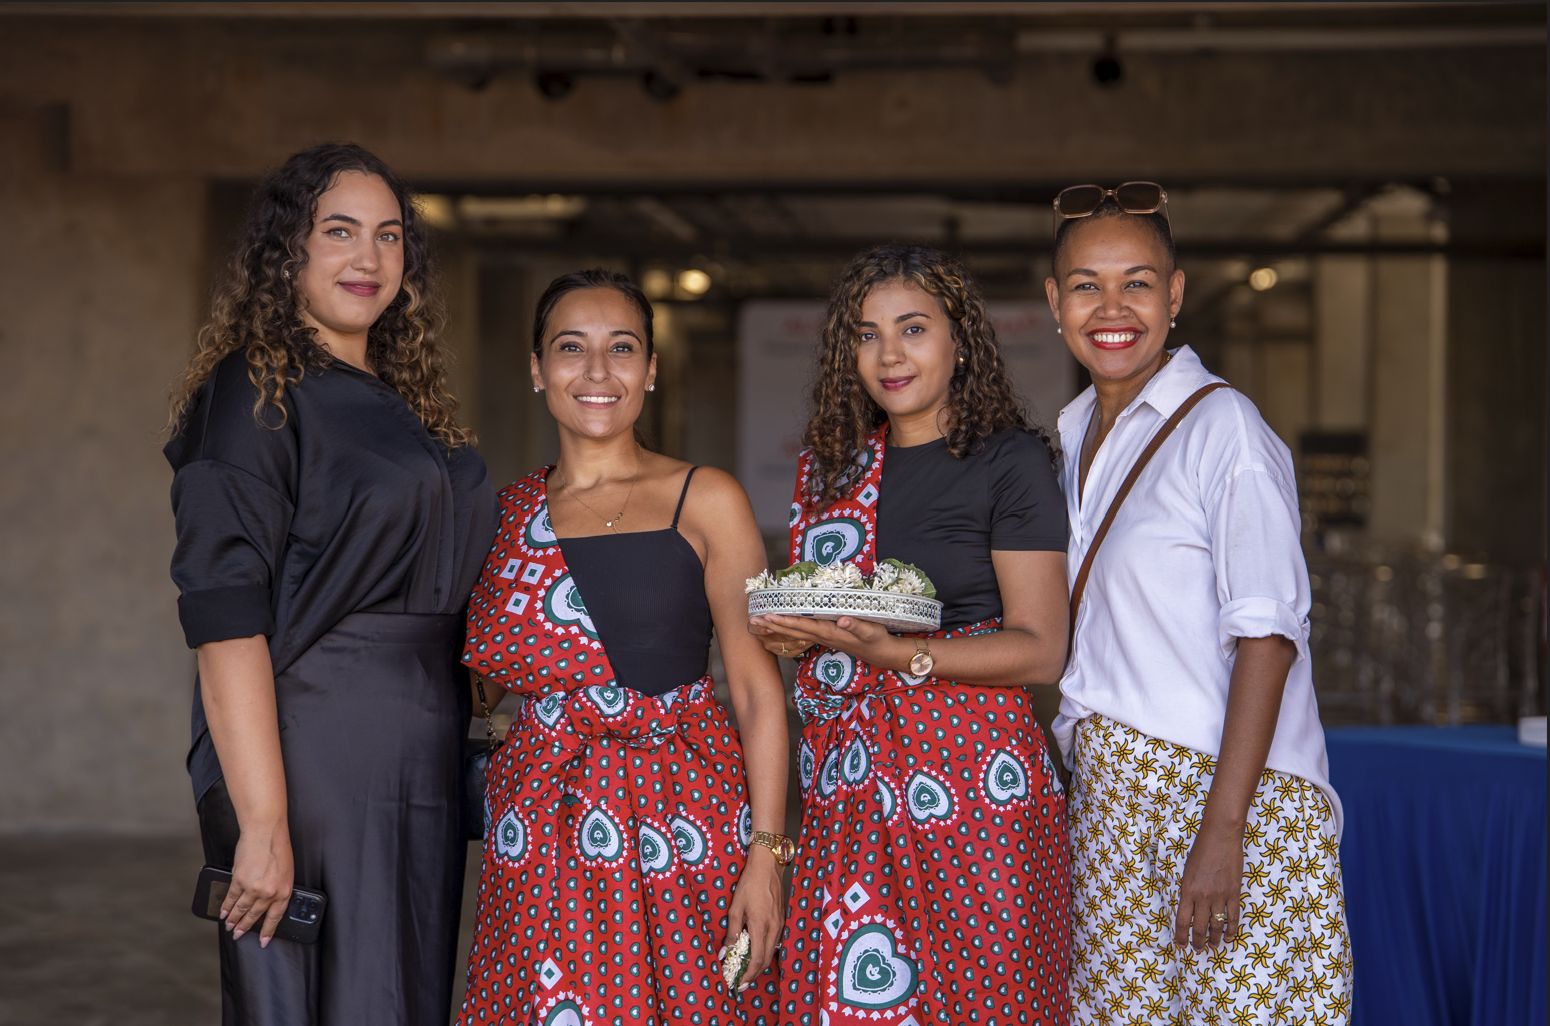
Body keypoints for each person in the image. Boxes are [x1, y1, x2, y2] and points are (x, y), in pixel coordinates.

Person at [164, 143, 495, 1024]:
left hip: (421, 742)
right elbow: (225, 615)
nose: (368, 257)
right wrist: (263, 822)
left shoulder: (405, 398)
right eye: (339, 231)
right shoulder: (253, 391)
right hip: (311, 746)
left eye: (388, 236)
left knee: (399, 990)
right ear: (289, 249)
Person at [1042, 182, 1353, 1024]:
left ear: (1175, 295)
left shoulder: (1225, 431)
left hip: (1227, 797)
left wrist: (1222, 831)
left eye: (1138, 284)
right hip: (1111, 808)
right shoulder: (1072, 434)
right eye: (1087, 286)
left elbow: (1268, 636)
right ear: (1055, 303)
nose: (1113, 309)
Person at [456, 269, 791, 1026]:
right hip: (542, 828)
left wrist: (767, 855)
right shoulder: (505, 516)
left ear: (651, 369)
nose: (598, 371)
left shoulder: (707, 498)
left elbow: (755, 690)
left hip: (688, 819)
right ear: (538, 369)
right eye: (571, 348)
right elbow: (481, 685)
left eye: (622, 348)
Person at [750, 244, 1072, 1026]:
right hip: (849, 788)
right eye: (867, 334)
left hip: (974, 789)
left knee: (985, 999)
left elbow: (1041, 648)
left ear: (960, 341)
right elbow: (830, 610)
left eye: (913, 329)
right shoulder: (831, 469)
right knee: (850, 1000)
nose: (889, 354)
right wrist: (797, 635)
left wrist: (892, 655)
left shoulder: (1008, 462)